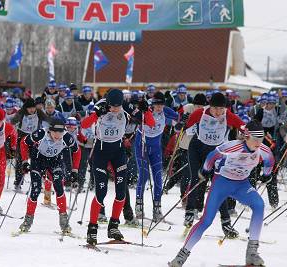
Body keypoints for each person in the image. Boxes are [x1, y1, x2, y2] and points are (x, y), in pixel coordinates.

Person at [169, 120, 274, 267]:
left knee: (259, 205)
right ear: (246, 136)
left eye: (261, 139)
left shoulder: (263, 150)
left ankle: (252, 253)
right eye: (255, 139)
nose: (258, 143)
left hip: (242, 185)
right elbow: (212, 156)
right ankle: (181, 257)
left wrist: (267, 175)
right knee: (206, 220)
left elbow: (270, 160)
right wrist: (205, 171)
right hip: (222, 183)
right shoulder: (232, 147)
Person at [81, 88, 155, 245]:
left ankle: (114, 225)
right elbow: (84, 124)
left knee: (121, 192)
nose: (115, 110)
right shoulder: (100, 106)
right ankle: (92, 228)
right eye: (113, 107)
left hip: (118, 151)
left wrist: (145, 110)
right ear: (108, 103)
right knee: (101, 192)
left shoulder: (126, 107)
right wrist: (96, 115)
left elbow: (150, 123)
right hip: (101, 151)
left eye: (118, 106)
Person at [182, 93, 244, 238]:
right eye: (215, 109)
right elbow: (185, 127)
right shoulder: (200, 113)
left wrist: (251, 131)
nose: (218, 112)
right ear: (210, 106)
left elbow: (243, 126)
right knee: (196, 179)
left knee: (218, 185)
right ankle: (190, 213)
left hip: (216, 152)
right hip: (197, 149)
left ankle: (226, 223)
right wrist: (182, 124)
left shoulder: (228, 115)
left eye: (221, 109)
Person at [18, 118, 81, 233]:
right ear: (49, 130)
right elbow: (24, 142)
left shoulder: (66, 137)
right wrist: (24, 161)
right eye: (55, 132)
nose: (58, 135)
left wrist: (75, 170)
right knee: (35, 190)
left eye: (60, 132)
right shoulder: (41, 133)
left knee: (59, 187)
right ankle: (27, 221)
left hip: (56, 160)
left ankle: (64, 222)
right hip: (38, 160)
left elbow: (77, 151)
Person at [135, 91, 179, 222]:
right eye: (157, 104)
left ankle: (157, 208)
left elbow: (179, 117)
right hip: (141, 145)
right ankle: (139, 206)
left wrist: (182, 121)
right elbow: (134, 116)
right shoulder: (146, 109)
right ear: (152, 103)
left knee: (158, 177)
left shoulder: (166, 110)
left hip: (155, 148)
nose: (159, 107)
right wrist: (139, 109)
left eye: (161, 104)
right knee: (143, 176)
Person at [11, 98, 50, 190]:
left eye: (33, 108)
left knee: (36, 160)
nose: (32, 110)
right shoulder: (21, 112)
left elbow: (47, 119)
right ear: (26, 108)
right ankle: (18, 182)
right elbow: (13, 121)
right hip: (22, 136)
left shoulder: (39, 112)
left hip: (34, 137)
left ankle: (37, 182)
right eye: (30, 108)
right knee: (21, 160)